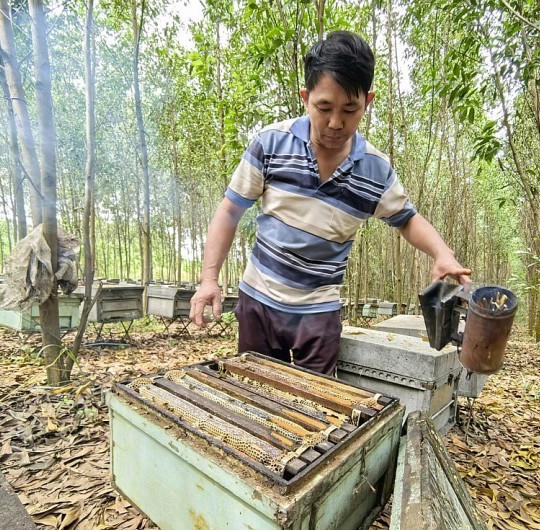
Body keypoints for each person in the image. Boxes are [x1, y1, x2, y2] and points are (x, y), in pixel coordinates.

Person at [190, 30, 471, 374]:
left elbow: (408, 219)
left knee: (315, 406)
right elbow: (230, 211)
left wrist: (442, 253)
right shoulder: (271, 143)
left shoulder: (375, 169)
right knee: (254, 396)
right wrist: (209, 278)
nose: (336, 123)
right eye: (324, 108)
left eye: (350, 110)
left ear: (368, 102)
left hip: (319, 312)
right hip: (258, 301)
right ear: (306, 97)